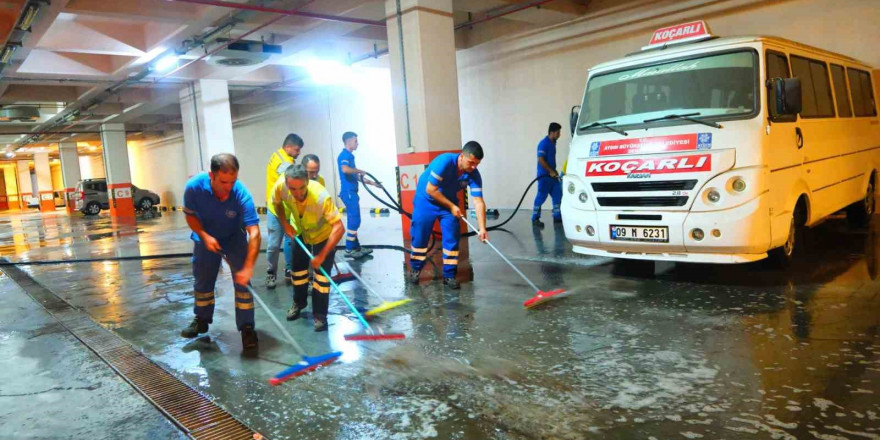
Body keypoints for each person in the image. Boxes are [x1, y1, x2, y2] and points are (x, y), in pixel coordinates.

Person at [180, 154, 261, 350]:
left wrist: (248, 268)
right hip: (205, 236)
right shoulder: (194, 187)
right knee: (203, 278)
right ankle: (201, 319)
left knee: (243, 285)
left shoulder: (241, 193)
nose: (229, 187)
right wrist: (203, 235)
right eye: (224, 182)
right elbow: (189, 215)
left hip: (234, 238)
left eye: (233, 181)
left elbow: (255, 233)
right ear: (211, 175)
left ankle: (247, 328)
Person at [271, 164, 344, 332]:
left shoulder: (320, 196)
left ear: (307, 182)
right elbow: (277, 204)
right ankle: (299, 302)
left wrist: (322, 255)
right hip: (301, 232)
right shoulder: (280, 187)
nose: (297, 193)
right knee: (298, 273)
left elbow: (339, 228)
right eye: (293, 189)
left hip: (323, 235)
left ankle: (320, 314)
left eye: (301, 188)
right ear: (287, 184)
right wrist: (285, 223)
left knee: (321, 281)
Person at [408, 141, 488, 290]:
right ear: (461, 156)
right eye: (471, 162)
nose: (473, 167)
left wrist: (482, 228)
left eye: (477, 164)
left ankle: (449, 275)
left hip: (448, 202)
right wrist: (452, 206)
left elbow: (478, 201)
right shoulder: (444, 162)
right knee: (420, 236)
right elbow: (431, 190)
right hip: (426, 200)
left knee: (452, 237)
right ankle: (415, 269)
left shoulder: (474, 174)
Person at [264, 134, 303, 288]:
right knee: (274, 244)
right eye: (297, 149)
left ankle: (289, 269)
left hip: (288, 209)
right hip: (276, 207)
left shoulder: (278, 154)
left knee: (290, 240)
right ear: (288, 147)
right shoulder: (285, 163)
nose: (299, 152)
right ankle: (270, 272)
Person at [337, 131, 379, 260]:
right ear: (348, 142)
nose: (357, 143)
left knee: (353, 219)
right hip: (348, 193)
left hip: (352, 192)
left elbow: (355, 176)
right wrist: (360, 170)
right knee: (354, 220)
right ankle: (349, 249)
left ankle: (356, 247)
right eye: (355, 141)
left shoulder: (350, 156)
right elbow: (345, 169)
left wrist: (372, 183)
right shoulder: (344, 155)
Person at [532, 122, 563, 228]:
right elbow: (540, 159)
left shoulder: (553, 143)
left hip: (552, 177)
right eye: (558, 132)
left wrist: (554, 171)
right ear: (552, 132)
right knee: (541, 197)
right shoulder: (543, 143)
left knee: (558, 194)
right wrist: (550, 171)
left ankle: (557, 217)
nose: (559, 135)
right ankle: (535, 218)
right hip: (544, 177)